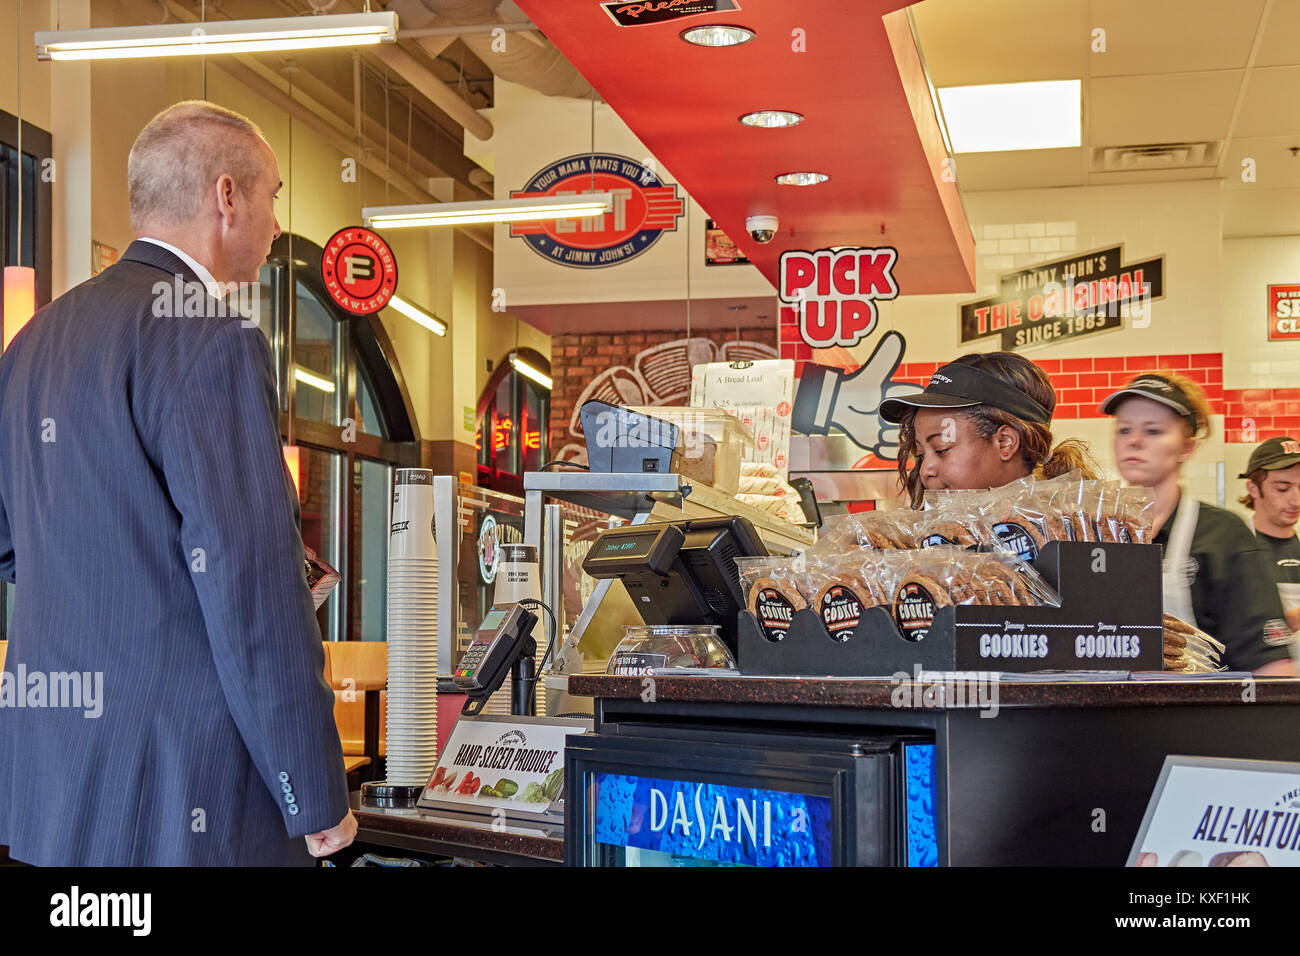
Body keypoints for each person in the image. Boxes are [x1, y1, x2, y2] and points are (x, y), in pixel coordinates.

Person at [0, 101, 357, 864]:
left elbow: (12, 546)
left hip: (53, 788)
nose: (274, 224)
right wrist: (313, 791)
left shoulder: (32, 343)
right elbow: (251, 585)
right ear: (227, 196)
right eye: (274, 197)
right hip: (183, 793)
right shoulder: (210, 336)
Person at [1102, 373, 1294, 675]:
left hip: (1195, 717)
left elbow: (1270, 665)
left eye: (1153, 431)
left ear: (1187, 447)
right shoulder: (1090, 530)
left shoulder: (1223, 535)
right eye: (1124, 430)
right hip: (1100, 717)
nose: (1135, 441)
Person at [881, 350, 1097, 506]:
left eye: (941, 449)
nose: (926, 470)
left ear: (1005, 442)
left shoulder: (1076, 536)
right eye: (920, 455)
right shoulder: (928, 542)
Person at [1238, 436, 1300, 644]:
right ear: (1253, 488)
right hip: (1260, 675)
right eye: (1283, 488)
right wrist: (1290, 621)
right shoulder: (1233, 549)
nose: (1296, 500)